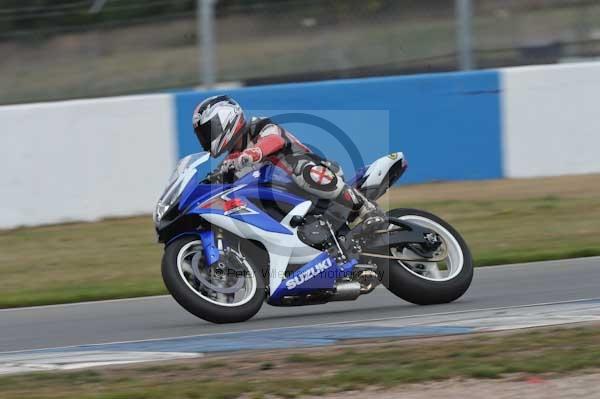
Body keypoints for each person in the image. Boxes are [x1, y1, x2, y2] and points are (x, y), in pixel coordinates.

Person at [192, 95, 384, 231]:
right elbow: (216, 183)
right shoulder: (229, 163)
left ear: (224, 119)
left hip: (314, 171)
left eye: (208, 130)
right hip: (286, 203)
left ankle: (365, 208)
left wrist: (254, 153)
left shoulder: (258, 126)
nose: (206, 138)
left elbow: (275, 140)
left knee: (298, 167)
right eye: (202, 135)